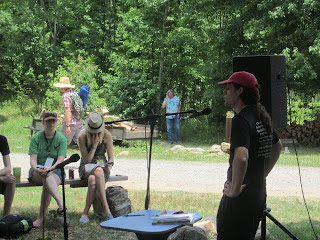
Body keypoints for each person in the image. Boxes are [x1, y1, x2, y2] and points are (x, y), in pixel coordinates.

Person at [216, 71, 282, 240]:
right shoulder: (261, 116)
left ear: (240, 91)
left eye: (229, 88)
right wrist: (261, 174)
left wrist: (235, 190)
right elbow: (277, 147)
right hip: (258, 193)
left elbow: (241, 157)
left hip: (240, 200)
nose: (225, 92)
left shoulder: (240, 120)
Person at [28, 111, 67, 228]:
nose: (51, 123)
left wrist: (50, 169)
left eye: (53, 120)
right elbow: (33, 160)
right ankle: (60, 204)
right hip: (37, 171)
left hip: (55, 170)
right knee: (46, 176)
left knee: (48, 178)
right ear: (43, 122)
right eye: (48, 120)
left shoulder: (61, 139)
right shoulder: (35, 138)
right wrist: (37, 168)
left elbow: (60, 160)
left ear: (57, 122)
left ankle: (40, 219)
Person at [78, 112, 114, 223]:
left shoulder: (107, 135)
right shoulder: (82, 136)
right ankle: (106, 210)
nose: (95, 133)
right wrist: (94, 145)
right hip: (86, 167)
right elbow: (87, 160)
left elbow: (111, 158)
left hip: (102, 169)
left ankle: (85, 213)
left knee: (93, 179)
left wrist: (109, 166)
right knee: (97, 170)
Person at [53, 76, 83, 146]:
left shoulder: (65, 96)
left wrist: (68, 125)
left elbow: (68, 111)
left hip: (71, 123)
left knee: (60, 142)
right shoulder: (75, 94)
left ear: (62, 87)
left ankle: (59, 157)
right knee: (81, 143)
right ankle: (87, 156)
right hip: (79, 122)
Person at [0, 135, 15, 217]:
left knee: (10, 179)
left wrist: (3, 178)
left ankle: (6, 217)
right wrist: (1, 178)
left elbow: (8, 168)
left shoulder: (1, 139)